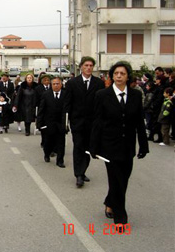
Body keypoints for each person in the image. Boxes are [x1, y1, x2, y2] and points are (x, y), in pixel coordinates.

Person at [90, 61, 148, 228]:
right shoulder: (102, 95)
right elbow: (98, 122)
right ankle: (120, 217)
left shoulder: (136, 95)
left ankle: (110, 201)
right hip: (110, 145)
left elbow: (139, 122)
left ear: (128, 76)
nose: (119, 76)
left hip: (128, 145)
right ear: (112, 76)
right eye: (116, 73)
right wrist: (94, 146)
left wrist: (143, 145)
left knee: (124, 178)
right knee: (116, 179)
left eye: (122, 73)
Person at [63, 56, 104, 188]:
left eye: (91, 65)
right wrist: (66, 122)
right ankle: (78, 175)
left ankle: (83, 170)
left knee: (88, 149)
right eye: (86, 65)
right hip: (77, 122)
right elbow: (67, 104)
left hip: (92, 123)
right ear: (81, 66)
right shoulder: (72, 83)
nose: (88, 68)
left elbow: (101, 105)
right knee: (78, 147)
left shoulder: (99, 83)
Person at [37, 76, 67, 168]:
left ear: (61, 84)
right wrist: (39, 123)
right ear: (51, 85)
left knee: (61, 143)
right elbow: (41, 110)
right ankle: (47, 154)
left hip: (60, 123)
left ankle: (60, 160)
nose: (56, 86)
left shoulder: (65, 94)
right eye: (54, 84)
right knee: (48, 142)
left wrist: (66, 124)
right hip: (48, 123)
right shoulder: (46, 94)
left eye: (58, 84)